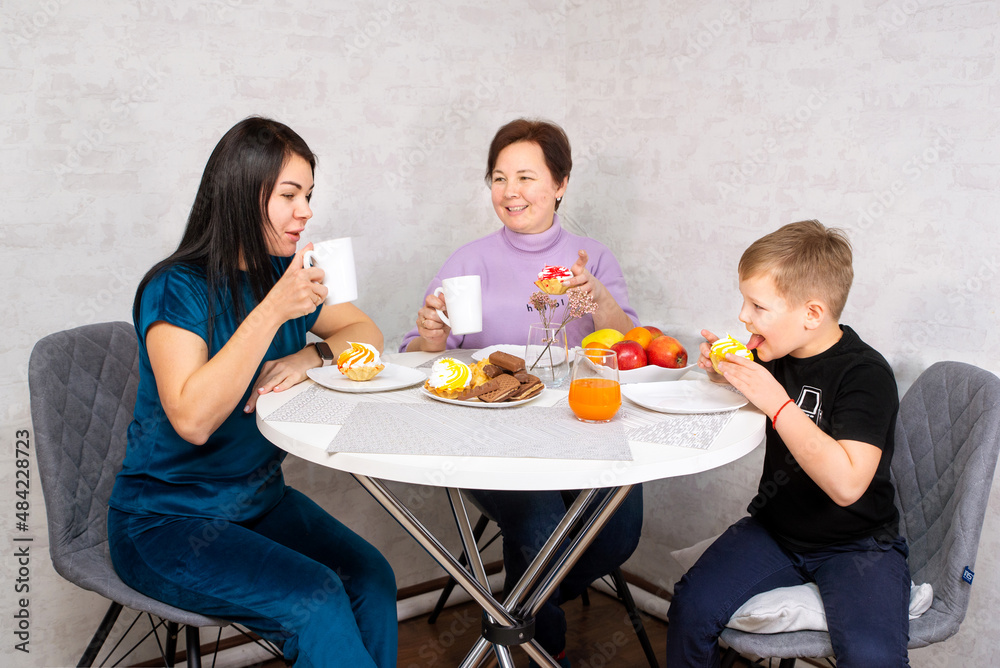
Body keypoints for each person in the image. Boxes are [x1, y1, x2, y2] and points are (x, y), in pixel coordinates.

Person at [107, 117, 397, 668]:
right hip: (166, 523)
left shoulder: (285, 274)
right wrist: (273, 311)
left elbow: (366, 334)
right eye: (289, 195)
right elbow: (193, 420)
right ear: (242, 193)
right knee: (317, 604)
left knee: (371, 578)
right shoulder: (177, 287)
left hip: (260, 501)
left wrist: (310, 356)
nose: (305, 211)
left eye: (308, 195)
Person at [401, 118, 643, 667]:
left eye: (526, 177)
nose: (510, 191)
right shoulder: (468, 262)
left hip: (584, 426)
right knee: (538, 526)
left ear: (560, 184)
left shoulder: (590, 258)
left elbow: (629, 347)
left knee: (618, 531)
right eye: (499, 177)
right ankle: (542, 644)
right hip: (490, 436)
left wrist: (596, 296)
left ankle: (515, 609)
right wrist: (430, 337)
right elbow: (422, 358)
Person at [666, 220, 910, 667]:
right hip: (775, 531)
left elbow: (847, 485)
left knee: (872, 657)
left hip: (859, 545)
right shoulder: (774, 355)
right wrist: (724, 372)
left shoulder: (866, 375)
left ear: (812, 314)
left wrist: (776, 402)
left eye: (758, 306)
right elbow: (747, 387)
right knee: (690, 609)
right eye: (744, 301)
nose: (743, 316)